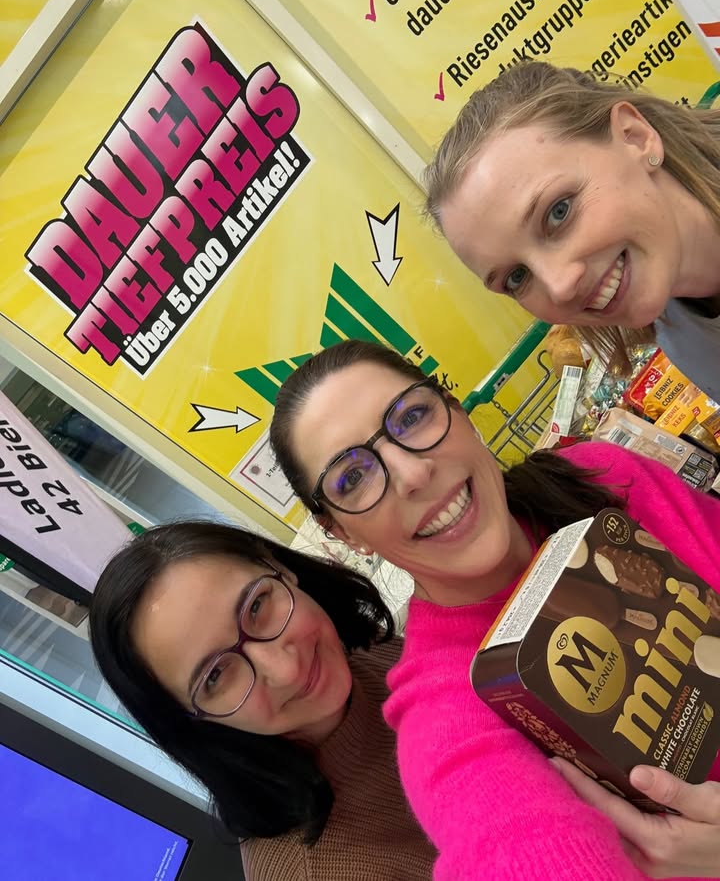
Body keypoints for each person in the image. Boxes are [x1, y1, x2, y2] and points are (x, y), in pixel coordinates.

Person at [269, 337, 720, 880]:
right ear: (343, 532)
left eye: (411, 417)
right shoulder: (446, 714)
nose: (412, 475)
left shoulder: (601, 474)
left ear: (457, 411)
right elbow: (507, 842)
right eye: (353, 478)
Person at [89, 521, 435, 881]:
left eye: (256, 607)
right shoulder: (315, 873)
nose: (286, 670)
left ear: (277, 566)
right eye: (215, 676)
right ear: (192, 721)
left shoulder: (353, 648)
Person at [422, 60, 720, 398]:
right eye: (517, 278)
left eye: (558, 212)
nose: (560, 286)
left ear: (635, 137)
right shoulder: (681, 332)